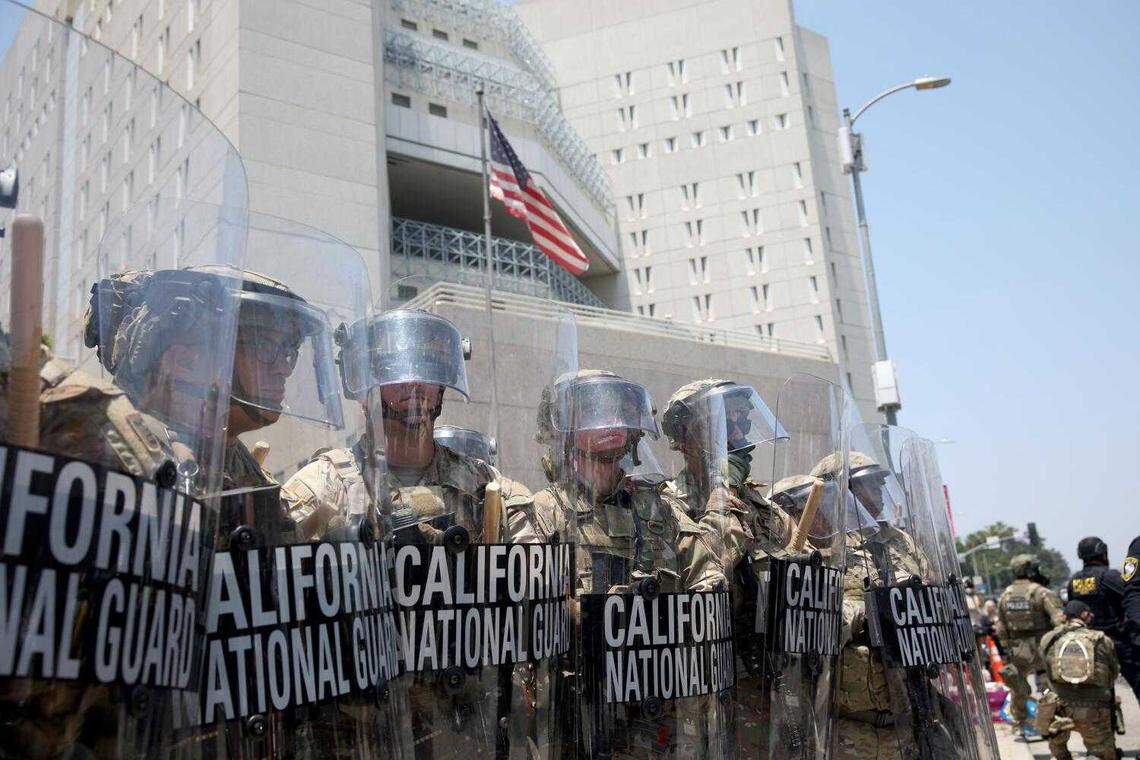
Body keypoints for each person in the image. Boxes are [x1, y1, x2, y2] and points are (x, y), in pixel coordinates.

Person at [282, 308, 534, 757]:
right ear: (362, 386)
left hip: (458, 726)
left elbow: (536, 582)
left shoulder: (485, 488)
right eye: (396, 374)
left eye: (428, 373)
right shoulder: (322, 487)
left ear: (443, 386)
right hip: (357, 731)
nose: (414, 388)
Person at [507, 369, 726, 757]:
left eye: (619, 411)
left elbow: (709, 580)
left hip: (656, 712)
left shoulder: (660, 510)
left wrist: (675, 620)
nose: (611, 422)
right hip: (576, 716)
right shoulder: (543, 511)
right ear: (563, 430)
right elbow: (528, 607)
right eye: (594, 412)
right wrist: (584, 613)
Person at [660, 378, 800, 755]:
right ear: (687, 436)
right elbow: (697, 577)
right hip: (697, 704)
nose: (740, 435)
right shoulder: (662, 509)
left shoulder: (770, 517)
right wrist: (723, 495)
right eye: (727, 424)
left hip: (768, 700)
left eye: (743, 422)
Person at [1037, 600, 1120, 760]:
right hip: (1095, 709)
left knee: (1059, 751)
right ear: (1083, 615)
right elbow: (1113, 673)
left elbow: (1046, 672)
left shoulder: (1049, 639)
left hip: (1060, 708)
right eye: (1089, 613)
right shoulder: (1102, 640)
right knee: (1103, 753)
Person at [996, 554, 1066, 736]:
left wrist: (1006, 651)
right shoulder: (1041, 592)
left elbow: (1001, 627)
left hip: (1018, 650)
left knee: (1018, 689)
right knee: (1050, 687)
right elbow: (1059, 620)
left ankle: (1020, 723)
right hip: (1043, 648)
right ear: (1030, 570)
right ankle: (1052, 722)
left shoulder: (1006, 595)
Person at [1067, 537, 1140, 702]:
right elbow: (1130, 595)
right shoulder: (1108, 576)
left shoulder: (1073, 581)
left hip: (1089, 645)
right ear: (1103, 553)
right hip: (1117, 642)